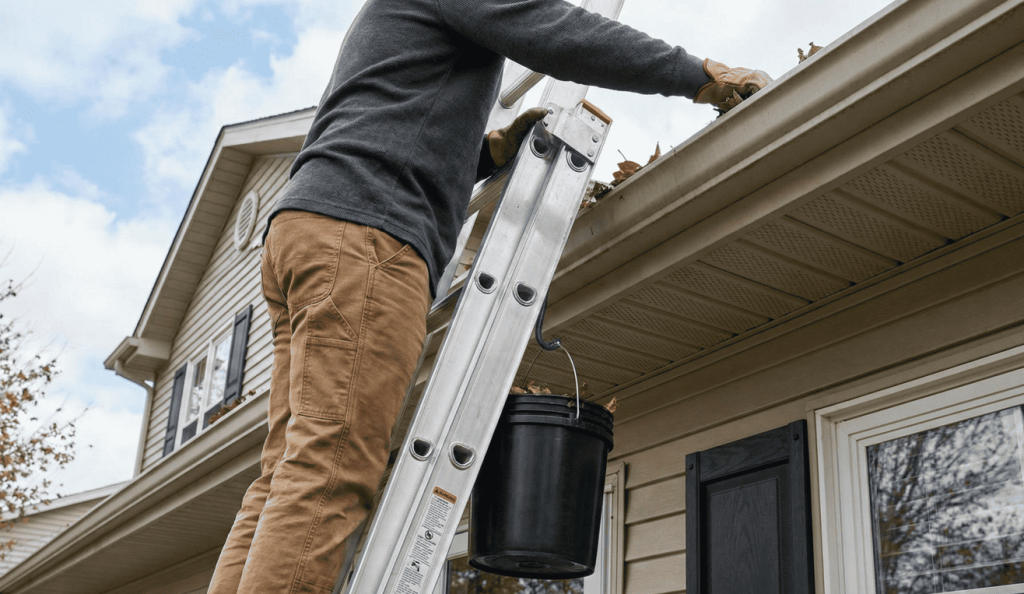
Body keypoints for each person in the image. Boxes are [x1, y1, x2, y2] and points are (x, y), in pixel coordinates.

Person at [208, 0, 771, 592]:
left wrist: (490, 151)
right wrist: (702, 74)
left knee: (286, 473)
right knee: (329, 471)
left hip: (315, 228)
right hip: (368, 235)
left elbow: (397, 114)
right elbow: (557, 31)